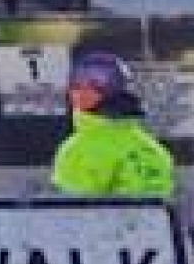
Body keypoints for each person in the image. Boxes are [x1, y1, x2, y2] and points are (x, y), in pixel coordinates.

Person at [51, 52, 176, 198]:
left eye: (96, 82)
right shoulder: (151, 147)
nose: (82, 90)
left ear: (117, 87)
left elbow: (70, 214)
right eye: (75, 83)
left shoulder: (78, 150)